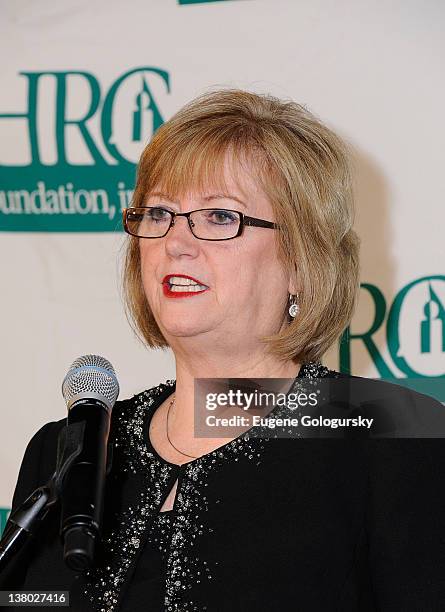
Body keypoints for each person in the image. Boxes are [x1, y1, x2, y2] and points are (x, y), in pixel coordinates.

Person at [2, 88, 444, 611]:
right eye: (160, 213)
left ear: (303, 262)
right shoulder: (68, 450)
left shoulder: (392, 438)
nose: (175, 242)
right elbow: (31, 601)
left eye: (219, 216)